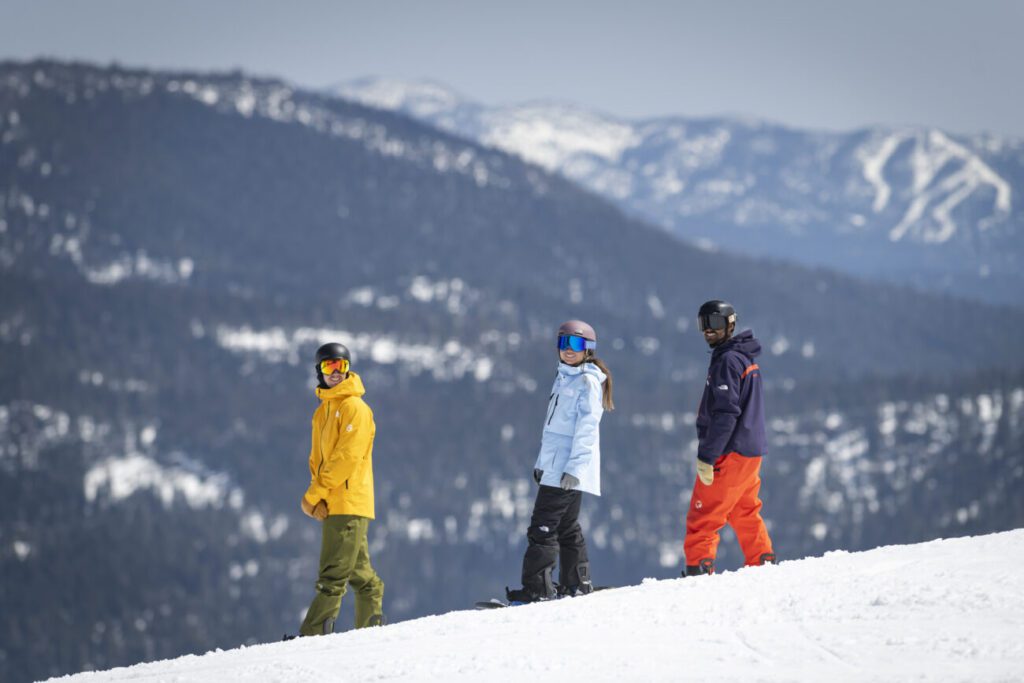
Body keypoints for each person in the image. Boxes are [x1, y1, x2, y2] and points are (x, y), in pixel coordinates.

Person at [506, 320, 614, 603]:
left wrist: (574, 470)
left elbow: (587, 430)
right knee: (567, 526)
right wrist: (542, 463)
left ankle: (537, 589)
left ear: (588, 349)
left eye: (575, 344)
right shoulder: (565, 377)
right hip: (556, 467)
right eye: (563, 343)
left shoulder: (587, 382)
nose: (568, 350)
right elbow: (554, 431)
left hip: (567, 471)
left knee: (542, 527)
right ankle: (577, 582)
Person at [297, 342, 384, 635]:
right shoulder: (322, 411)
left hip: (349, 501)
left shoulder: (355, 408)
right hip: (335, 503)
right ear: (319, 372)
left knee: (332, 576)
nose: (334, 372)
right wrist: (319, 496)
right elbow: (317, 460)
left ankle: (312, 635)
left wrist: (314, 494)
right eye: (328, 366)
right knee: (362, 576)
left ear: (348, 369)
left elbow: (346, 457)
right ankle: (372, 630)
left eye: (340, 366)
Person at [683, 300, 776, 576]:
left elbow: (726, 414)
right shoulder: (744, 357)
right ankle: (762, 563)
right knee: (743, 509)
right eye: (703, 324)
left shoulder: (727, 361)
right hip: (751, 451)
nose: (708, 331)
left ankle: (698, 572)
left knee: (703, 515)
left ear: (730, 325)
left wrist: (707, 456)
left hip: (730, 453)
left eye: (715, 323)